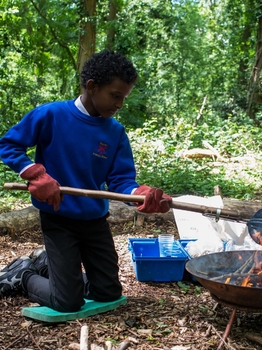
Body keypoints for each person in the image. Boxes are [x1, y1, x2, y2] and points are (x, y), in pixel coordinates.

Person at [0, 50, 171, 312]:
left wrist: (141, 193)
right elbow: (9, 145)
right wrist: (34, 173)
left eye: (124, 98)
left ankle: (48, 266)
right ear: (92, 87)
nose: (120, 105)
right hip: (58, 218)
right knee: (66, 302)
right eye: (115, 96)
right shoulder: (51, 115)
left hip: (94, 221)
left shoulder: (114, 131)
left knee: (107, 292)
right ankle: (23, 274)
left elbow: (121, 180)